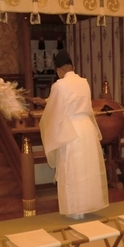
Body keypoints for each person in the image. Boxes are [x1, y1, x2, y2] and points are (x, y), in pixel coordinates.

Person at [39, 50, 109, 219]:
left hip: (70, 130)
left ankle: (75, 210)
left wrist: (44, 106)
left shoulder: (59, 85)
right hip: (87, 128)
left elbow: (56, 108)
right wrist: (47, 102)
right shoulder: (84, 82)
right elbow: (73, 99)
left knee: (72, 169)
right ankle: (87, 205)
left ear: (58, 70)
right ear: (72, 66)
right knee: (86, 168)